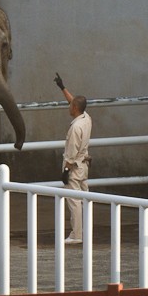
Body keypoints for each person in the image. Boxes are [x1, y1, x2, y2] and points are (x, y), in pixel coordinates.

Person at [54, 72, 92, 245]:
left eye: (71, 106)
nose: (68, 107)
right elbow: (73, 100)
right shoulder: (86, 118)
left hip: (75, 167)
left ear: (75, 109)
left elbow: (71, 152)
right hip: (84, 165)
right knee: (85, 198)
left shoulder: (76, 128)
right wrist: (63, 87)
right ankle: (85, 231)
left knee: (74, 201)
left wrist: (66, 170)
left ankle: (77, 235)